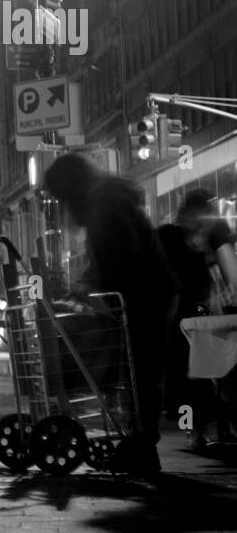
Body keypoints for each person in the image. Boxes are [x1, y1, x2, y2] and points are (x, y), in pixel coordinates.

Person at [42, 154, 179, 476]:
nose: (61, 206)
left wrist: (96, 288)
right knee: (137, 376)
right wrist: (90, 283)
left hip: (146, 299)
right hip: (152, 294)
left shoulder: (104, 204)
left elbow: (123, 258)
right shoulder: (105, 199)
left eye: (60, 197)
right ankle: (140, 446)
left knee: (139, 375)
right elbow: (116, 257)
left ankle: (142, 449)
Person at [159, 190, 237, 451]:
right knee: (190, 378)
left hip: (197, 315)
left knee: (202, 375)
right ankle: (195, 431)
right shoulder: (172, 236)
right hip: (184, 316)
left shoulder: (208, 237)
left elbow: (228, 276)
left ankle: (201, 431)